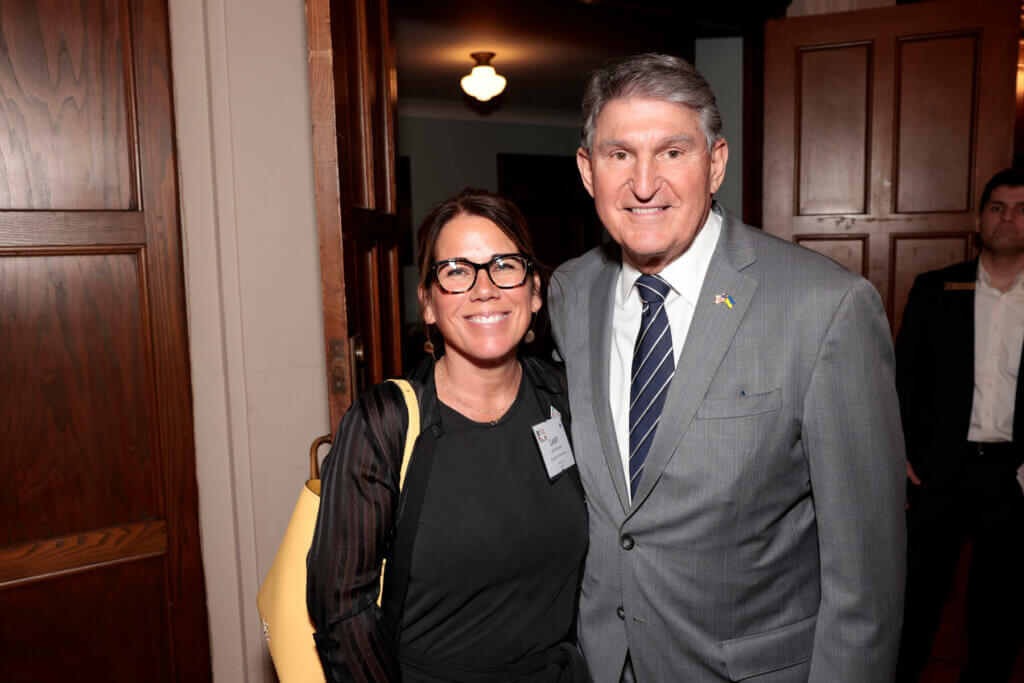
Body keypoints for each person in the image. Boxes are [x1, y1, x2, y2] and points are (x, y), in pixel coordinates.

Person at [547, 53, 906, 682]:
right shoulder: (571, 292)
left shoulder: (826, 307)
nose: (644, 184)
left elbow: (866, 585)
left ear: (715, 163)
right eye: (619, 154)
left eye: (673, 152)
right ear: (587, 170)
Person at [307, 189, 590, 682]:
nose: (484, 288)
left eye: (504, 265)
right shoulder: (385, 423)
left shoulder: (567, 401)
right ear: (428, 304)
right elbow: (340, 609)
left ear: (534, 291)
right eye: (457, 271)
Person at [895, 168, 1024, 683]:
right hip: (937, 472)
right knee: (913, 605)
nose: (1008, 218)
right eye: (997, 207)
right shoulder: (935, 290)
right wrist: (899, 452)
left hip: (1012, 477)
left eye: (1021, 209)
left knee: (998, 617)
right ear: (979, 219)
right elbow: (903, 377)